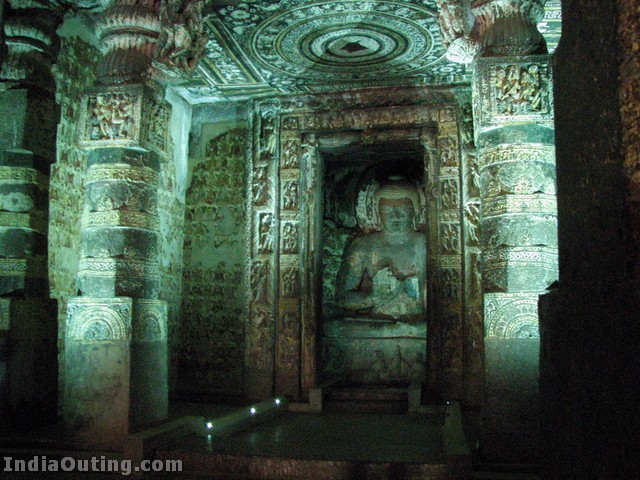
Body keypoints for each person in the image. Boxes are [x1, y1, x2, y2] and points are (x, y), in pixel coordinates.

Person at [336, 177, 426, 320]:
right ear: (377, 213)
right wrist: (374, 297)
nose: (395, 216)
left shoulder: (425, 243)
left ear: (415, 210)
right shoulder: (363, 245)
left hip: (418, 321)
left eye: (403, 209)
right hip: (378, 321)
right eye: (387, 210)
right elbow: (342, 298)